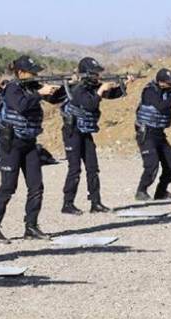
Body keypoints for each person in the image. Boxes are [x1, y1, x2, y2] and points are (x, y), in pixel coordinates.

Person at [0, 55, 63, 244]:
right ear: (20, 72)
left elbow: (56, 98)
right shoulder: (12, 88)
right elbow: (20, 105)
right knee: (8, 187)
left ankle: (31, 226)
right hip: (11, 143)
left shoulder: (32, 86)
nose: (36, 75)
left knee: (36, 186)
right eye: (32, 72)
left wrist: (67, 88)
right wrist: (40, 93)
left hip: (29, 142)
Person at [60, 57, 132, 215]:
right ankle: (67, 203)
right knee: (75, 169)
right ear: (87, 74)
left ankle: (95, 202)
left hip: (85, 132)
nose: (99, 76)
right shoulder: (77, 89)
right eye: (95, 73)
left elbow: (112, 94)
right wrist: (101, 90)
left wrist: (124, 84)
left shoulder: (93, 87)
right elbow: (90, 103)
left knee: (93, 168)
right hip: (72, 132)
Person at [134, 68, 171, 201]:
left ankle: (161, 192)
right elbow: (160, 106)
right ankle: (141, 191)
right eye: (168, 82)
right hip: (146, 133)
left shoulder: (168, 90)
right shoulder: (149, 91)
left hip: (159, 133)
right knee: (152, 164)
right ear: (160, 82)